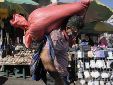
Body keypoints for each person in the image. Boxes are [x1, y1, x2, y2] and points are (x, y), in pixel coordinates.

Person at [10, 0, 92, 85]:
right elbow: (45, 58)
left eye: (77, 32)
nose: (75, 34)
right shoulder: (56, 37)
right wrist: (57, 79)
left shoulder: (67, 36)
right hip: (55, 77)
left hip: (62, 74)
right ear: (68, 27)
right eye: (74, 31)